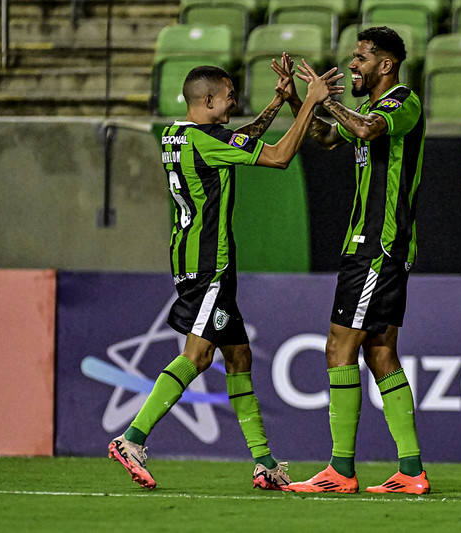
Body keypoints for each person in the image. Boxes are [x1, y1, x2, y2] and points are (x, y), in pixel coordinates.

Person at [108, 57, 342, 490]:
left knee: (239, 358)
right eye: (230, 97)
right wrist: (308, 102)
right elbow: (277, 157)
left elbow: (238, 137)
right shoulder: (207, 140)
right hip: (207, 268)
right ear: (209, 99)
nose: (234, 103)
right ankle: (133, 437)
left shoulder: (176, 135)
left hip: (192, 262)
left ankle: (265, 463)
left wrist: (276, 104)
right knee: (198, 356)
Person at [273, 26, 429, 495]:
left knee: (338, 348)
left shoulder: (403, 102)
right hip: (373, 246)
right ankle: (411, 470)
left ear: (386, 65)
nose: (352, 66)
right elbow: (326, 137)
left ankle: (340, 470)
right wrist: (298, 101)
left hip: (377, 246)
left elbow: (363, 128)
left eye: (361, 58)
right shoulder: (365, 108)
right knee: (380, 353)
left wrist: (322, 98)